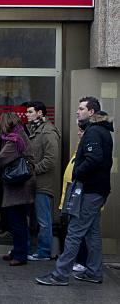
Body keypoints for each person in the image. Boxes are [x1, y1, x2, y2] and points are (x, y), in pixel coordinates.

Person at [36, 97, 113, 286]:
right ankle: (94, 271)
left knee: (74, 232)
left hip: (90, 190)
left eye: (81, 109)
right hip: (97, 190)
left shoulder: (94, 132)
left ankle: (60, 274)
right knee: (92, 232)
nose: (77, 112)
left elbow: (93, 158)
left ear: (92, 112)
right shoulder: (100, 130)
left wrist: (77, 172)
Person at [0, 113, 36, 266]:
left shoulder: (13, 140)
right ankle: (18, 251)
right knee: (18, 221)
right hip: (21, 185)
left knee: (17, 222)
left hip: (19, 186)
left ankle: (20, 255)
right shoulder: (20, 135)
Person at [25, 101, 61, 261]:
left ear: (40, 113)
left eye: (30, 112)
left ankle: (44, 252)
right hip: (33, 183)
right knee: (35, 219)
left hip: (43, 184)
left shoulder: (47, 132)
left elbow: (51, 159)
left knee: (43, 220)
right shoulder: (35, 130)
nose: (27, 114)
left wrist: (33, 169)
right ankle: (36, 249)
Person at [58, 121, 88, 273]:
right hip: (72, 193)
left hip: (79, 195)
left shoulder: (86, 151)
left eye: (81, 131)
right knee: (76, 230)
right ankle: (78, 260)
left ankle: (81, 261)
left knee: (80, 231)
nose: (78, 133)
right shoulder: (79, 150)